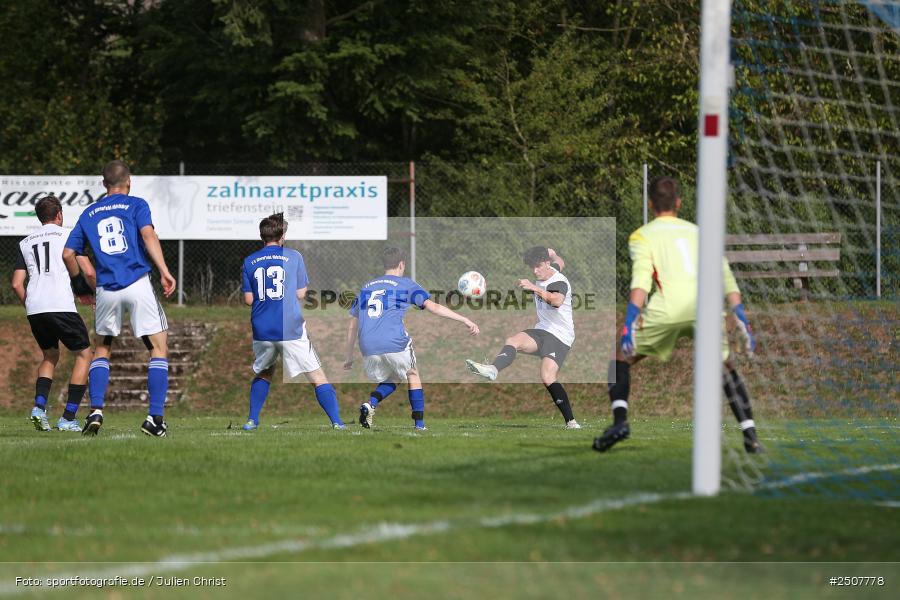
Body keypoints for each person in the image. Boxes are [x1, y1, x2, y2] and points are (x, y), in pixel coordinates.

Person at [592, 176, 762, 454]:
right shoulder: (699, 232)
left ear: (650, 204)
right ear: (679, 203)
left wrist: (628, 323)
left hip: (667, 308)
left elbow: (641, 283)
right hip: (705, 308)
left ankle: (620, 422)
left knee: (617, 360)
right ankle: (750, 435)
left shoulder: (642, 235)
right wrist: (740, 314)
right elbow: (725, 274)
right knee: (726, 366)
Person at [63, 160, 176, 437]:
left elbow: (68, 253)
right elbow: (148, 235)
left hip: (106, 289)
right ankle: (154, 418)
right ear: (129, 181)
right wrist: (164, 271)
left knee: (102, 349)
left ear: (104, 184)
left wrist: (80, 285)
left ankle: (97, 410)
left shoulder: (89, 213)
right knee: (158, 348)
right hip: (137, 282)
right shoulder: (136, 204)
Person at [343, 246, 479, 430]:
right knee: (412, 373)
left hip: (367, 344)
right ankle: (420, 425)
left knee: (397, 375)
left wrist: (349, 355)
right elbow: (433, 307)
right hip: (392, 340)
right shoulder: (405, 284)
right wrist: (464, 319)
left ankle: (370, 404)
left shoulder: (366, 287)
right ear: (402, 264)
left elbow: (353, 323)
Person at [240, 213, 345, 431]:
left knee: (265, 372)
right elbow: (300, 293)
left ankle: (252, 420)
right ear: (282, 236)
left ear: (262, 236)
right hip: (290, 327)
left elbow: (249, 299)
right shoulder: (294, 256)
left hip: (262, 328)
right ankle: (337, 422)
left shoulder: (249, 261)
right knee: (316, 375)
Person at [466, 247, 581, 429]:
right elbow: (560, 261)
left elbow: (557, 301)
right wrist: (552, 252)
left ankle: (571, 421)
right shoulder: (553, 268)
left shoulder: (558, 281)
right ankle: (493, 370)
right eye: (532, 268)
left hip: (560, 335)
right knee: (512, 341)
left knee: (547, 376)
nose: (535, 271)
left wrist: (534, 287)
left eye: (538, 267)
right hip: (543, 329)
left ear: (546, 264)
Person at [11, 195, 95, 432]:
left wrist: (32, 305)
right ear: (59, 214)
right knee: (84, 355)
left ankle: (39, 408)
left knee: (50, 356)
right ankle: (68, 417)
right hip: (60, 305)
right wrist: (93, 294)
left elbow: (17, 284)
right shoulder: (69, 236)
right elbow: (87, 270)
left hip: (35, 307)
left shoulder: (25, 242)